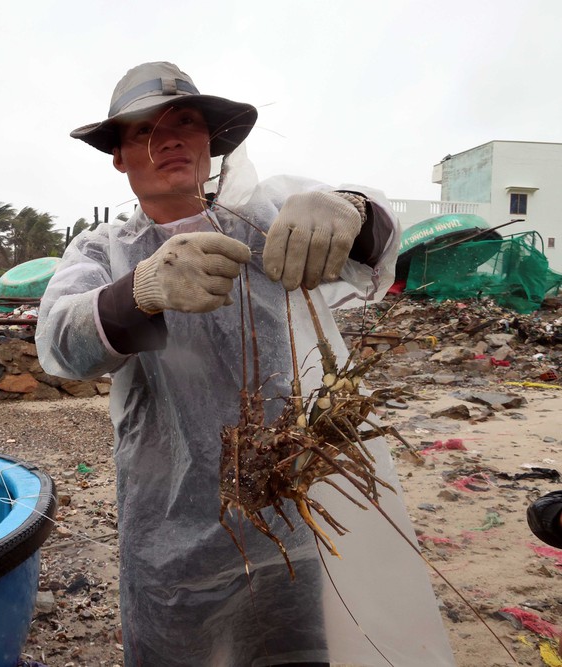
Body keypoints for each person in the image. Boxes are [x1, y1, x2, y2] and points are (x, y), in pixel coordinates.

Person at [36, 62, 455, 666]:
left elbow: (375, 250)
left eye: (185, 123)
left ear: (214, 144)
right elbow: (58, 343)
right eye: (143, 130)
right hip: (170, 541)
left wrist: (350, 209)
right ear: (120, 158)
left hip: (290, 518)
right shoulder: (101, 251)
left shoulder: (267, 215)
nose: (170, 139)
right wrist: (144, 288)